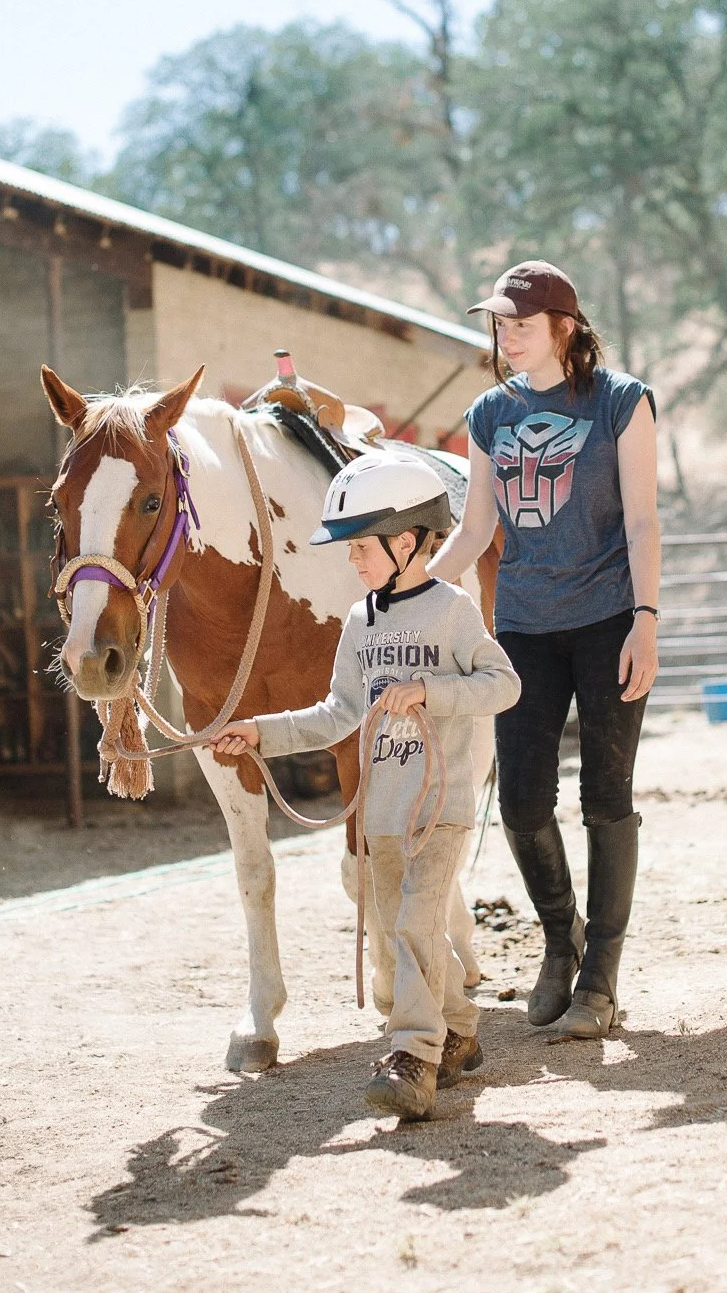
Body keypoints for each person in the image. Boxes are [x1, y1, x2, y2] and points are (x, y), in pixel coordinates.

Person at [214, 452, 521, 1120]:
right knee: (403, 927)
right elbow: (338, 714)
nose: (351, 560)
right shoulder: (359, 623)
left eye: (360, 546)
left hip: (440, 806)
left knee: (414, 922)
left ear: (406, 541)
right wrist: (259, 732)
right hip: (380, 814)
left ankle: (412, 1055)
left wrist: (431, 692)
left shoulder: (454, 611)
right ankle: (460, 1026)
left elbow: (504, 685)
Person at [429, 260, 660, 1040]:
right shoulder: (489, 413)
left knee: (606, 796)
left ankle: (601, 976)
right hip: (523, 626)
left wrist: (647, 619)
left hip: (608, 621)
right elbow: (475, 529)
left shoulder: (621, 401)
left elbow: (643, 522)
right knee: (524, 802)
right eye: (499, 324)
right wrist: (405, 598)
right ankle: (560, 943)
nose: (506, 337)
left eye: (520, 324)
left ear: (565, 325)